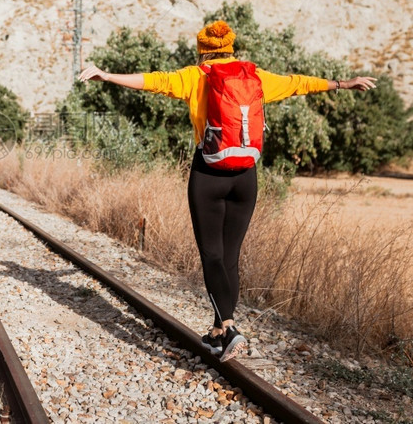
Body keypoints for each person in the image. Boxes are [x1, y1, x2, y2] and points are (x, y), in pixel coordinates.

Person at [78, 20, 376, 362]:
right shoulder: (255, 76)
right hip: (246, 175)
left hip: (209, 172)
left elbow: (153, 81)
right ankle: (219, 332)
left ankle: (231, 327)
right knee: (230, 256)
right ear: (231, 47)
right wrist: (342, 83)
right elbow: (298, 84)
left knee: (212, 255)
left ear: (203, 48)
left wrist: (108, 76)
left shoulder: (197, 75)